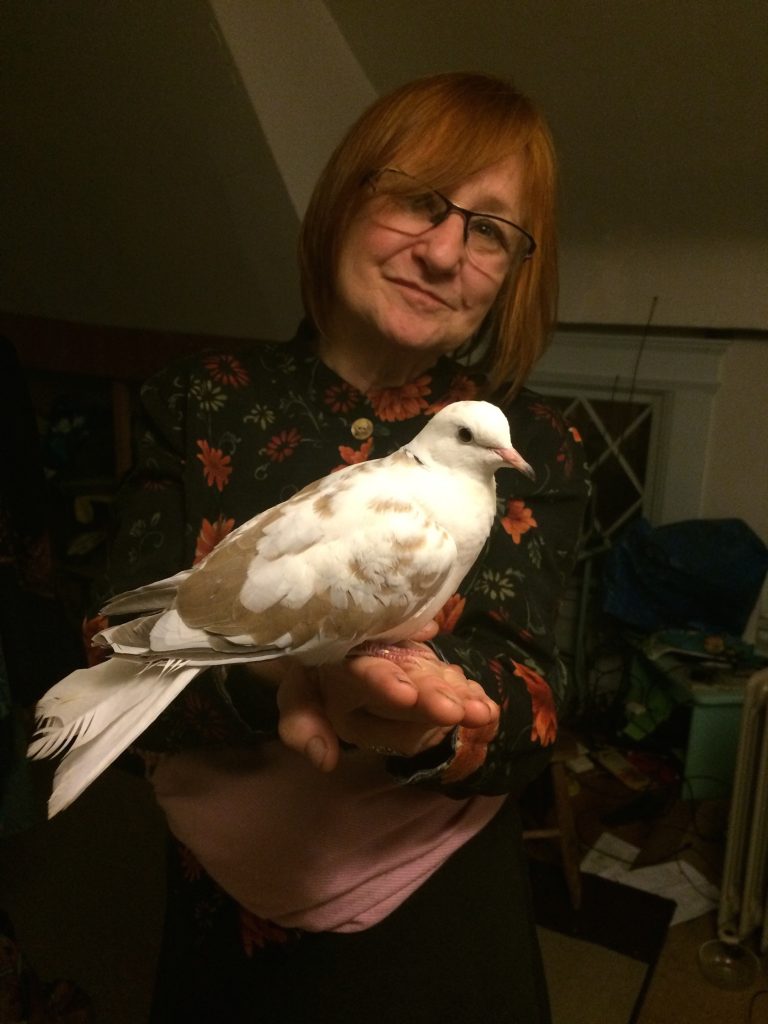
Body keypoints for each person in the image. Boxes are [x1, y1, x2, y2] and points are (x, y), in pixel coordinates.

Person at [89, 72, 589, 1023]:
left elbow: (537, 695)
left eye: (489, 230)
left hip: (437, 905)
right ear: (347, 197)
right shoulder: (199, 402)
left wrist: (434, 713)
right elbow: (105, 653)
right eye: (419, 200)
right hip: (227, 901)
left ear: (515, 270)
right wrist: (278, 677)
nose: (444, 252)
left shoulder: (539, 448)